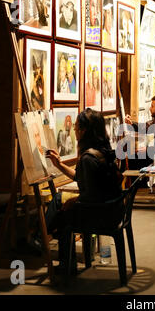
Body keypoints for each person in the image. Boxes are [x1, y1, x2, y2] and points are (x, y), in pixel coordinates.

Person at [46, 108, 122, 273]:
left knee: (63, 212)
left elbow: (91, 195)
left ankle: (50, 243)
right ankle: (46, 233)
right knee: (60, 200)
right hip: (114, 209)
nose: (74, 130)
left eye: (76, 127)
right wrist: (59, 165)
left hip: (101, 214)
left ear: (84, 130)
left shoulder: (88, 158)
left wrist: (74, 200)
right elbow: (83, 179)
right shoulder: (102, 151)